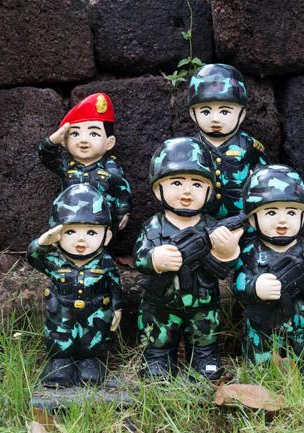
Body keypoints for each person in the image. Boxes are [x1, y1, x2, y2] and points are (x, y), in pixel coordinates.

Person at [133, 137, 243, 380]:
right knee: (159, 334)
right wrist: (155, 259)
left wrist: (225, 253)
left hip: (202, 302)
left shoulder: (211, 227)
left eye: (196, 184)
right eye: (176, 182)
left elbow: (221, 269)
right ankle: (158, 358)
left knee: (203, 331)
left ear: (209, 191)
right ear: (157, 188)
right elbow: (139, 256)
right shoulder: (154, 226)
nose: (186, 192)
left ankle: (204, 357)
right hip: (163, 301)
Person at [234, 165, 304, 364]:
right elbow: (239, 282)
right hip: (263, 331)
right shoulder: (251, 251)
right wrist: (254, 287)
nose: (282, 221)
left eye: (291, 213)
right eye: (271, 213)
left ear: (303, 216)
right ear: (253, 219)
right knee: (261, 363)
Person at [27, 184, 122, 386]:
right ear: (57, 234)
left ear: (107, 236)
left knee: (93, 340)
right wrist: (42, 243)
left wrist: (118, 308)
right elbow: (34, 258)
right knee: (60, 337)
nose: (81, 239)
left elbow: (115, 284)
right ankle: (60, 364)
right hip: (62, 309)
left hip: (95, 310)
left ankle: (91, 363)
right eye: (70, 232)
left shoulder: (105, 262)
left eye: (91, 232)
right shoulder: (56, 260)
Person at [38, 92, 132, 230]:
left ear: (109, 142)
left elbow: (122, 191)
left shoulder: (111, 169)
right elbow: (46, 157)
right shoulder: (66, 167)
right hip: (69, 220)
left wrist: (123, 210)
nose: (83, 140)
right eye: (75, 134)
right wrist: (52, 141)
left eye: (94, 133)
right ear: (65, 142)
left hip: (101, 223)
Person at [187, 63, 269, 219]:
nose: (215, 119)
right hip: (200, 222)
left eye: (225, 111)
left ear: (242, 113)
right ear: (193, 113)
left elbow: (266, 185)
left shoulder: (251, 147)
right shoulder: (189, 148)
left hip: (242, 220)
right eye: (205, 111)